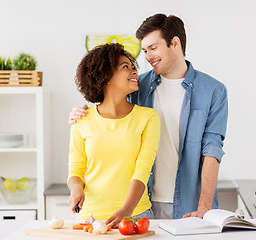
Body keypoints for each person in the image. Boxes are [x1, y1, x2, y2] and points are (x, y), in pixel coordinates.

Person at [69, 13, 228, 219]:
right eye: (145, 50)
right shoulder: (137, 86)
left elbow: (212, 150)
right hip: (142, 202)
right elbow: (109, 110)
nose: (147, 56)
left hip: (191, 203)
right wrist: (80, 113)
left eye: (153, 48)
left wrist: (204, 207)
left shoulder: (213, 90)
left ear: (175, 43)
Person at [67, 43, 160, 228]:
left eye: (133, 67)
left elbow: (143, 168)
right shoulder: (82, 119)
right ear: (105, 77)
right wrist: (76, 189)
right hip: (90, 216)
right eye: (125, 67)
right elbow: (76, 169)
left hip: (136, 214)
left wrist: (127, 210)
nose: (134, 71)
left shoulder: (148, 117)